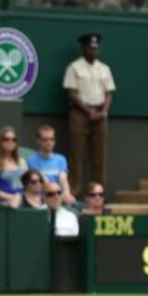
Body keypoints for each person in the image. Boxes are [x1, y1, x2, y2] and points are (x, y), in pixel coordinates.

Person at [63, 32, 115, 195]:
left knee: (100, 154)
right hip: (80, 113)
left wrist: (103, 111)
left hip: (100, 114)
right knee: (76, 154)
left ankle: (98, 192)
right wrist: (88, 111)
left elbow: (109, 94)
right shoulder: (74, 67)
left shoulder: (104, 68)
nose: (93, 51)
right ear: (83, 49)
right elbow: (71, 92)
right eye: (90, 48)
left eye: (95, 48)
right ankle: (74, 192)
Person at [26, 125, 75, 206]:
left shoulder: (61, 159)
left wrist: (67, 194)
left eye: (52, 139)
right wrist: (58, 195)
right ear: (38, 141)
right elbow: (44, 182)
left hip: (59, 196)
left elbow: (63, 179)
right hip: (42, 198)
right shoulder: (31, 160)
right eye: (45, 140)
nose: (49, 142)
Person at [0, 126, 28, 208]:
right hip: (3, 200)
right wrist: (13, 198)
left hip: (23, 199)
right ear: (1, 142)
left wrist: (20, 197)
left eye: (14, 139)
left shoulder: (21, 161)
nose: (10, 142)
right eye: (6, 139)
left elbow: (27, 184)